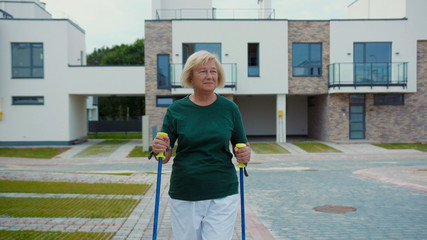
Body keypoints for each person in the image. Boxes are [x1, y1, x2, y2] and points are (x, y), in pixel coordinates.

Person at [151, 50, 251, 240]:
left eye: (213, 71)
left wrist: (245, 154)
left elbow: (242, 145)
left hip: (223, 191)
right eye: (202, 71)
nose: (209, 76)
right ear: (190, 77)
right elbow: (163, 156)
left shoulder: (230, 109)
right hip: (185, 192)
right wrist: (159, 150)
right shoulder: (176, 110)